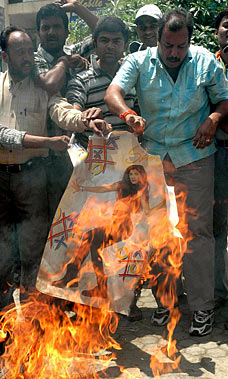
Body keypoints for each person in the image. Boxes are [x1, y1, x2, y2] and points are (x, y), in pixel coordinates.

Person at [105, 8, 228, 336]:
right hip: (155, 158)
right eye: (168, 46)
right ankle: (167, 302)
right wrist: (128, 114)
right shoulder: (139, 61)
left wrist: (213, 120)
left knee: (197, 233)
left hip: (195, 156)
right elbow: (113, 93)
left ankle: (202, 308)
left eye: (181, 46)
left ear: (189, 41)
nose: (174, 53)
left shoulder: (205, 61)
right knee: (156, 231)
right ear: (157, 39)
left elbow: (224, 100)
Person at [0, 26, 111, 311]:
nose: (28, 58)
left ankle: (33, 325)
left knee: (32, 254)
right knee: (1, 259)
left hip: (31, 183)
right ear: (5, 56)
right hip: (0, 182)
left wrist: (86, 121)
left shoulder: (42, 89)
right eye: (20, 52)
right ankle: (5, 327)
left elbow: (62, 110)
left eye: (29, 50)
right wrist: (45, 141)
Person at [52, 165, 165, 304]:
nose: (133, 177)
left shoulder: (141, 192)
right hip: (113, 225)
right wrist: (81, 188)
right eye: (131, 174)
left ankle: (72, 277)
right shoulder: (121, 185)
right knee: (94, 248)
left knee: (89, 236)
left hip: (123, 228)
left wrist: (163, 204)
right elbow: (103, 188)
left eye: (136, 174)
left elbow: (147, 212)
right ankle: (100, 288)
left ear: (141, 176)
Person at [34, 1, 99, 226]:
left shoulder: (74, 51)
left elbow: (102, 32)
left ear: (66, 31)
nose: (51, 32)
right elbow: (50, 85)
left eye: (57, 26)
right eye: (45, 27)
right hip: (43, 154)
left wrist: (77, 8)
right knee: (50, 221)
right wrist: (64, 62)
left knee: (80, 217)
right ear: (38, 32)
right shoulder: (34, 60)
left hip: (78, 150)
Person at [66, 16, 138, 148]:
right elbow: (72, 113)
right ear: (95, 44)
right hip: (93, 161)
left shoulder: (132, 79)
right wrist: (85, 117)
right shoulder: (81, 80)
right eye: (104, 40)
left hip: (127, 158)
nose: (110, 46)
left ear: (125, 45)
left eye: (116, 41)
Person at [213, 9, 228, 307]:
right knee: (216, 226)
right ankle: (217, 291)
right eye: (227, 26)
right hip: (216, 154)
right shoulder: (204, 65)